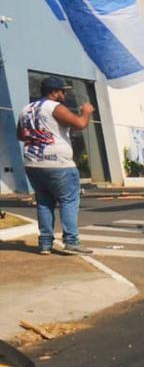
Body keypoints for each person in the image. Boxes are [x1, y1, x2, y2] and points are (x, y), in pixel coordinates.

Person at [16, 76, 93, 255]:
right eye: (63, 91)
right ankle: (71, 241)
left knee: (44, 202)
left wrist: (39, 134)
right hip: (58, 163)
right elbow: (80, 124)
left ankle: (45, 243)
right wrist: (86, 111)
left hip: (33, 162)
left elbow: (21, 135)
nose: (64, 94)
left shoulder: (26, 109)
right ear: (54, 92)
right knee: (68, 201)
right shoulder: (55, 107)